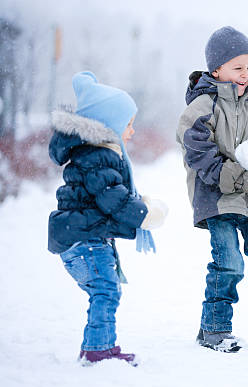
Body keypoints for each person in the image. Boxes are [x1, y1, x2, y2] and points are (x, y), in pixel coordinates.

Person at [176, 26, 248, 352]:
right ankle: (213, 328)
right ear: (216, 70)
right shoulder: (201, 107)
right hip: (218, 199)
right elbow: (198, 152)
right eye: (238, 67)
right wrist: (236, 176)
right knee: (229, 263)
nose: (246, 74)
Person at [48, 71, 168, 365]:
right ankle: (97, 351)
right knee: (106, 291)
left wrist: (138, 205)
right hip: (85, 241)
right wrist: (143, 214)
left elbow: (111, 195)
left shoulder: (97, 154)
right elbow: (112, 199)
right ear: (110, 124)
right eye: (128, 124)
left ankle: (98, 346)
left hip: (86, 238)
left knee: (105, 291)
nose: (132, 131)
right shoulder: (97, 157)